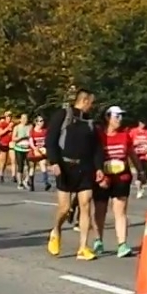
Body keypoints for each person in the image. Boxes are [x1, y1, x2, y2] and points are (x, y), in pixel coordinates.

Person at [45, 88, 99, 258]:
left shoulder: (90, 122)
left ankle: (83, 247)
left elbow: (97, 147)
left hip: (85, 167)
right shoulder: (63, 115)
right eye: (91, 103)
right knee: (65, 208)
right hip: (65, 166)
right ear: (84, 101)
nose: (92, 106)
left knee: (85, 204)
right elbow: (50, 140)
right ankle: (56, 230)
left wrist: (98, 168)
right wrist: (54, 162)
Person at [92, 107, 138, 258]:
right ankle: (98, 240)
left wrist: (141, 172)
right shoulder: (99, 135)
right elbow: (92, 156)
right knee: (100, 210)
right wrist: (98, 174)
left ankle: (122, 244)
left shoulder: (125, 135)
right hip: (103, 178)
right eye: (116, 116)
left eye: (121, 116)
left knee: (120, 211)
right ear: (107, 117)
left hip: (121, 177)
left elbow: (132, 154)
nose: (119, 119)